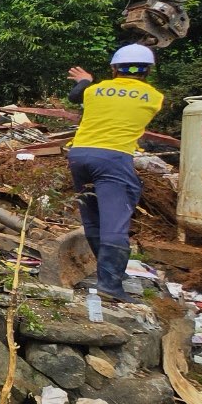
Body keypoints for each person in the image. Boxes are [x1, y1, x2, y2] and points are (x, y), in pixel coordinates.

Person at [66, 43, 164, 303]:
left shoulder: (94, 91)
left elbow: (75, 96)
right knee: (115, 222)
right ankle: (110, 284)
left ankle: (110, 276)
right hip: (114, 157)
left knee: (93, 217)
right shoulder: (154, 97)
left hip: (80, 155)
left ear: (113, 68)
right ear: (148, 71)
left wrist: (86, 80)